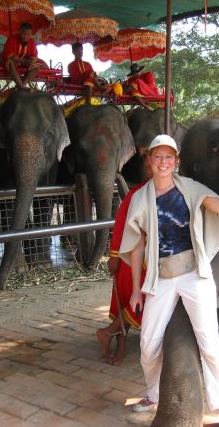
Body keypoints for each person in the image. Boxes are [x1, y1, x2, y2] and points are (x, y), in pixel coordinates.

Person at [119, 134, 219, 427]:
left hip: (194, 274)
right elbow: (137, 245)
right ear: (149, 160)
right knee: (148, 343)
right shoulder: (140, 198)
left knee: (209, 342)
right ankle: (153, 394)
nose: (163, 162)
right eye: (158, 156)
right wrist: (137, 290)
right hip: (161, 278)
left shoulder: (190, 189)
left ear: (175, 161)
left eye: (169, 157)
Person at [96, 153, 152, 365]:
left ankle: (110, 334)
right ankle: (115, 338)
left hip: (154, 259)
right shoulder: (137, 194)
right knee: (131, 300)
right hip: (130, 258)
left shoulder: (174, 190)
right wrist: (114, 255)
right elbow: (120, 224)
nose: (154, 165)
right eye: (150, 161)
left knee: (140, 300)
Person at [1, 23, 42, 90]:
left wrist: (32, 60)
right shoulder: (12, 39)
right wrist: (25, 62)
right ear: (19, 32)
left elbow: (34, 55)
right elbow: (11, 56)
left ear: (31, 35)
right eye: (23, 34)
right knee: (11, 63)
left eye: (28, 34)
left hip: (24, 62)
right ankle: (21, 86)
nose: (25, 36)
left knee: (37, 67)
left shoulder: (32, 41)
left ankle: (23, 84)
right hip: (9, 61)